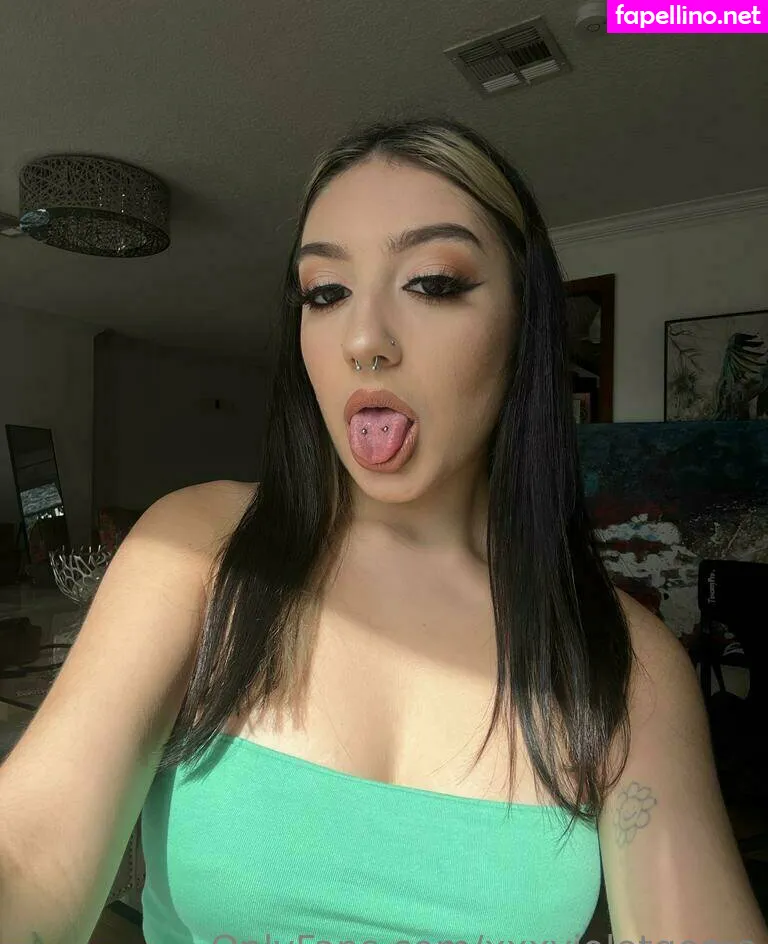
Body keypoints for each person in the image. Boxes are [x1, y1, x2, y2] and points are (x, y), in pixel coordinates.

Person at [1, 116, 766, 944]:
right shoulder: (196, 548)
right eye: (325, 293)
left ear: (524, 325)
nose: (363, 340)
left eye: (433, 283)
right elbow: (30, 852)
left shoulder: (624, 662)